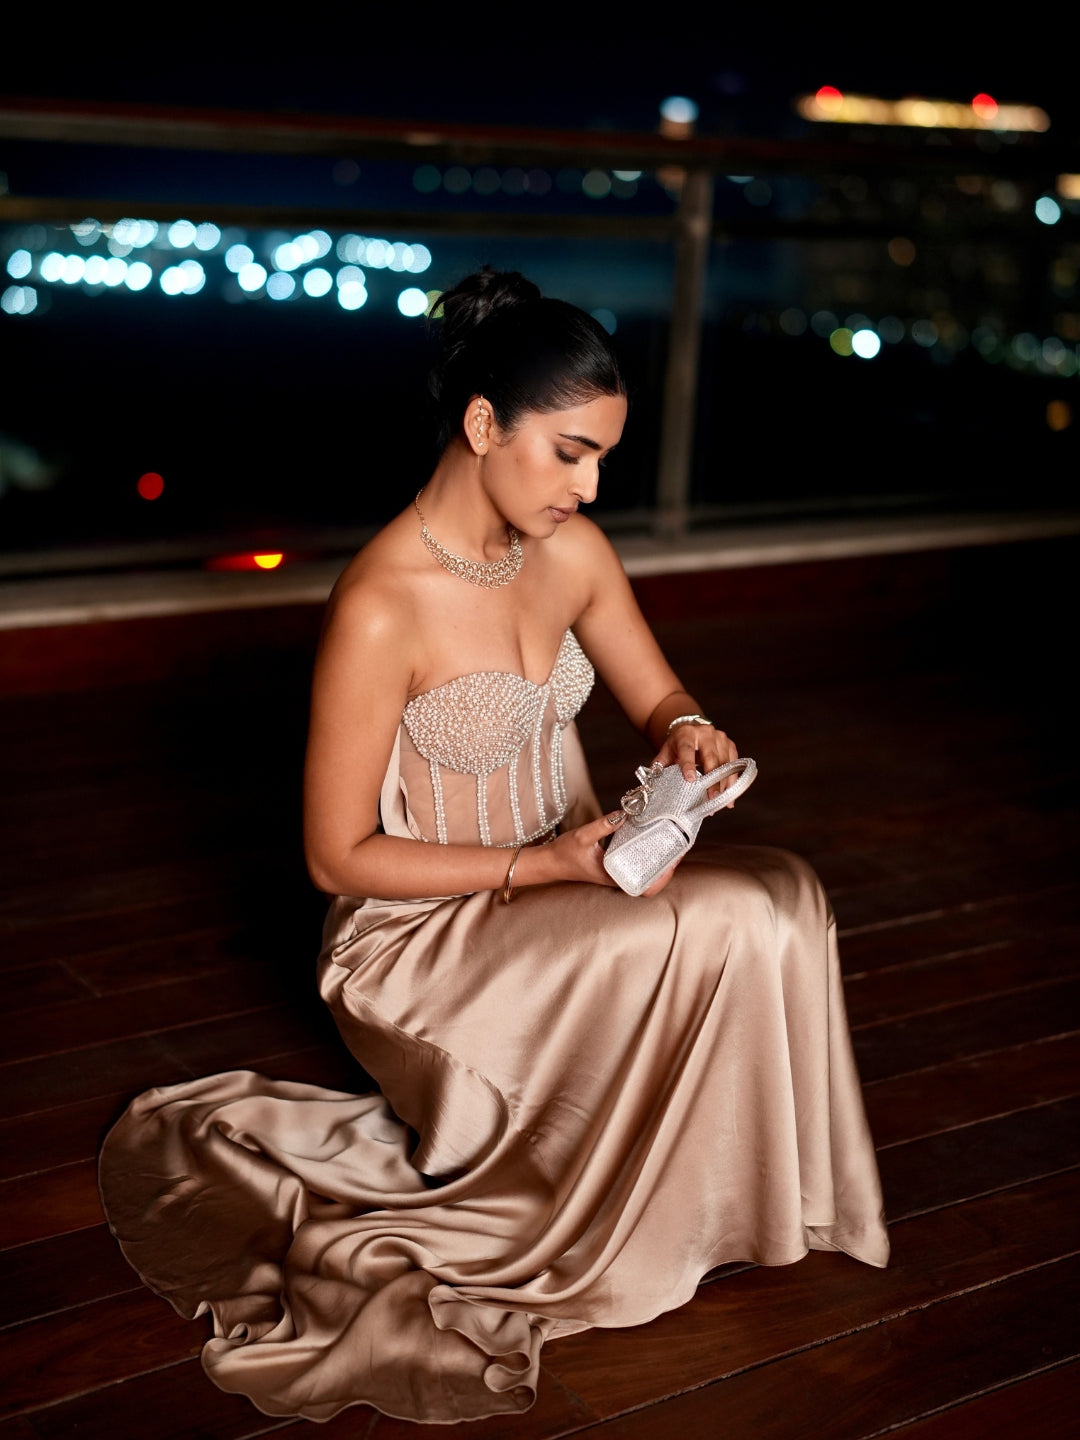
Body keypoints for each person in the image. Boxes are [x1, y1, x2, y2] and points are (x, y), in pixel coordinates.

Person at [99, 268, 889, 1425]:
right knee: (720, 916)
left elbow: (655, 686)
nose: (590, 484)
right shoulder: (381, 601)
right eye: (570, 452)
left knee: (784, 892)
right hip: (420, 944)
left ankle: (750, 1205)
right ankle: (637, 1204)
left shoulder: (568, 552)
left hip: (565, 882)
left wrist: (685, 731)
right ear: (483, 426)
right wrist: (550, 867)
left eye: (604, 458)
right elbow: (335, 859)